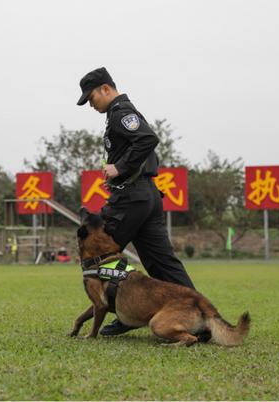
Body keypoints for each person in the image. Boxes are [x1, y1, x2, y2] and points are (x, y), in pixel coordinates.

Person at [77, 67, 197, 336]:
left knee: (104, 254)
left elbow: (147, 138)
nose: (91, 104)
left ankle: (125, 314)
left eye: (91, 97)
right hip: (145, 196)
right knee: (162, 263)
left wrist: (119, 168)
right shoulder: (118, 114)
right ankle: (196, 317)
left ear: (106, 89)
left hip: (131, 199)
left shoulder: (121, 113)